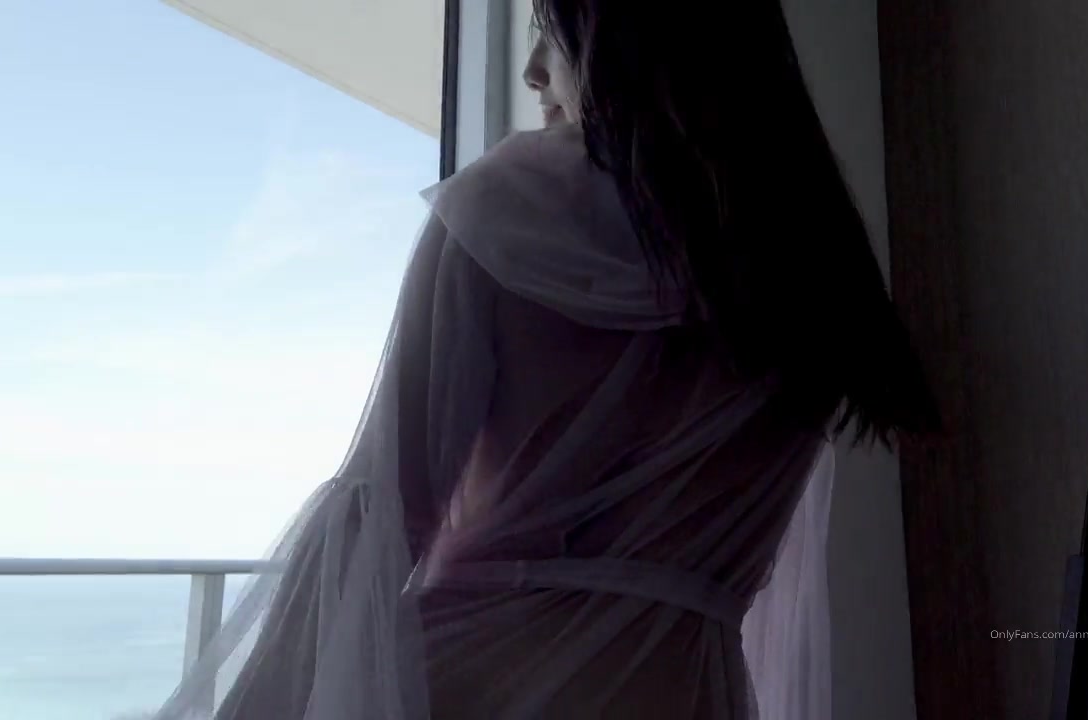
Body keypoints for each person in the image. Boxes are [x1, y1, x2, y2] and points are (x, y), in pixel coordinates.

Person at [152, 0, 935, 718]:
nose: (532, 71)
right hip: (684, 693)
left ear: (627, 48)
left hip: (472, 683)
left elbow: (380, 506)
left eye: (552, 36)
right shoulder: (818, 267)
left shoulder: (509, 211)